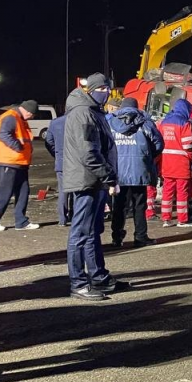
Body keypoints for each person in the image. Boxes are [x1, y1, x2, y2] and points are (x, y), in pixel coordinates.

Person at [62, 73, 121, 301]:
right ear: (92, 90)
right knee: (80, 233)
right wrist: (109, 178)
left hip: (93, 180)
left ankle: (99, 277)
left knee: (92, 232)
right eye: (103, 89)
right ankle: (78, 283)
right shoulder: (84, 113)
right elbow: (89, 153)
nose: (107, 93)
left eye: (108, 89)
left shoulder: (92, 111)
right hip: (87, 181)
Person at [107, 97, 164, 248]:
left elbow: (104, 145)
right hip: (140, 169)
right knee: (140, 206)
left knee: (119, 206)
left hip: (118, 172)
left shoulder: (111, 123)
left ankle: (117, 237)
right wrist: (147, 156)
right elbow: (158, 144)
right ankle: (140, 237)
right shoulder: (145, 123)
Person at [0, 100, 39, 231]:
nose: (32, 117)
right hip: (8, 161)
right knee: (4, 192)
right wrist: (18, 147)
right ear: (26, 110)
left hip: (19, 162)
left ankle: (21, 221)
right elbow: (4, 134)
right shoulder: (11, 117)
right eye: (32, 114)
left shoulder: (18, 117)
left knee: (23, 191)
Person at [159, 98, 192, 227]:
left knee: (167, 191)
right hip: (181, 163)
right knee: (182, 192)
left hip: (166, 162)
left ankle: (166, 218)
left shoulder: (164, 123)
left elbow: (158, 142)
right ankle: (182, 219)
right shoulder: (185, 124)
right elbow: (189, 146)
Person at [44, 113, 70, 226]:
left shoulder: (55, 122)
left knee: (63, 191)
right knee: (78, 190)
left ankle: (62, 219)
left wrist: (57, 153)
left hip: (62, 161)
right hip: (78, 162)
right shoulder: (80, 119)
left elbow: (49, 141)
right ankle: (75, 215)